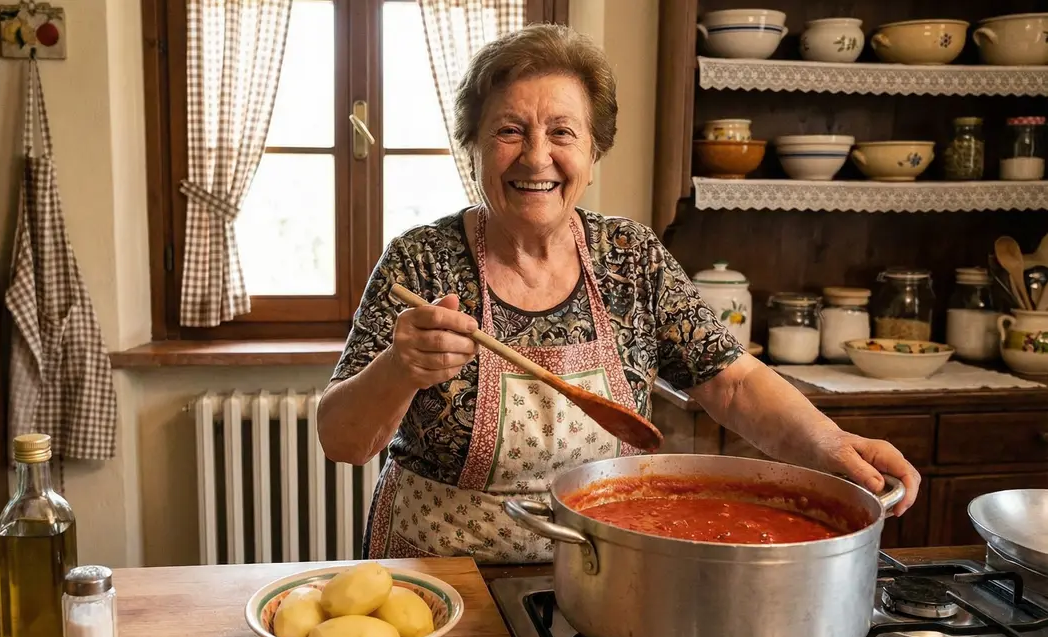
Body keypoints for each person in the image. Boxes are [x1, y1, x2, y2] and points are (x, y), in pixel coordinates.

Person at [317, 23, 920, 564]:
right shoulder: (419, 261)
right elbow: (342, 439)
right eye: (508, 130)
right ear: (472, 145)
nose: (536, 157)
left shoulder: (630, 257)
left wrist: (833, 446)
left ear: (594, 150)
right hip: (439, 575)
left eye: (562, 132)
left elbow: (732, 383)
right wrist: (400, 368)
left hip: (597, 573)